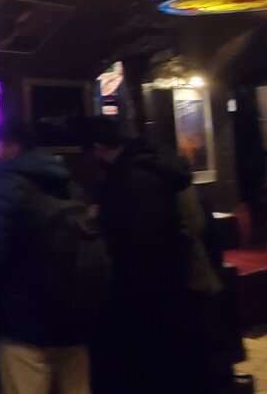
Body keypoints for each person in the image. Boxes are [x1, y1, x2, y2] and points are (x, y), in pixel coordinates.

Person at [88, 128, 228, 393]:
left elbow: (140, 245)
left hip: (156, 294)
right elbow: (200, 225)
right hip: (190, 281)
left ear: (98, 148)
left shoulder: (131, 180)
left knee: (160, 367)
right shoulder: (164, 167)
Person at [0, 120, 101, 394]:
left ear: (11, 147)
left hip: (25, 324)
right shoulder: (66, 181)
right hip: (73, 316)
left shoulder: (6, 184)